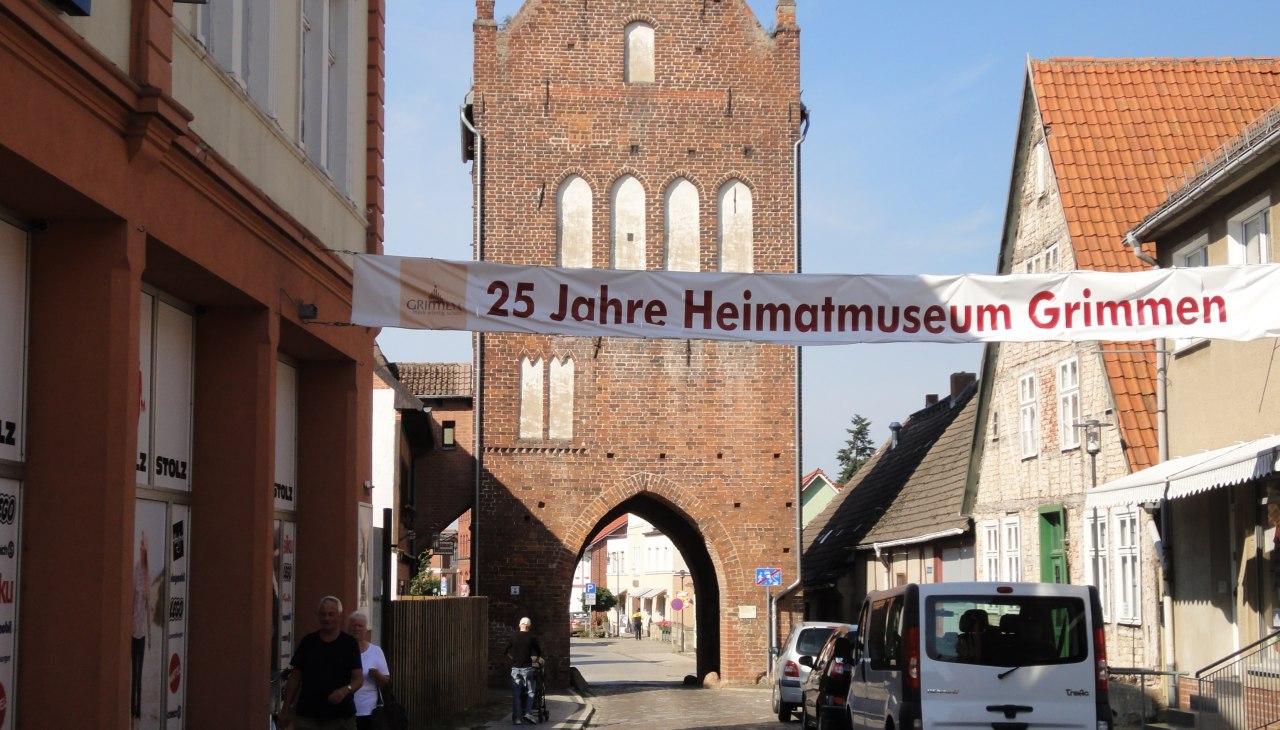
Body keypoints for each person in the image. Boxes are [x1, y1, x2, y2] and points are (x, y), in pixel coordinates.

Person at [280, 596, 364, 730]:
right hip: (308, 716)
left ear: (339, 616)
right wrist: (286, 708)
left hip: (340, 717)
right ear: (318, 616)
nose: (327, 618)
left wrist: (344, 691)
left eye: (331, 614)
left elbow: (358, 678)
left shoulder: (349, 644)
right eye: (323, 614)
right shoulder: (308, 642)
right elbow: (295, 677)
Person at [346, 612, 390, 730]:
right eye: (353, 625)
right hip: (345, 710)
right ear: (348, 628)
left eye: (360, 626)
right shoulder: (341, 651)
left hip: (369, 710)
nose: (356, 629)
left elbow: (386, 681)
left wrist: (377, 675)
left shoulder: (375, 651)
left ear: (366, 629)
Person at [130, 532, 152, 727]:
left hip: (142, 631)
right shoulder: (136, 568)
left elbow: (148, 604)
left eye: (142, 545)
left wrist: (151, 637)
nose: (140, 548)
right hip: (132, 629)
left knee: (139, 671)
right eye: (140, 545)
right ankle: (132, 707)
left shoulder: (147, 573)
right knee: (133, 670)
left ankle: (137, 708)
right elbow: (132, 599)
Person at [503, 617, 542, 725]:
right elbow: (539, 652)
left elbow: (505, 651)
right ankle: (528, 712)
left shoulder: (513, 637)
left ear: (520, 625)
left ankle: (518, 719)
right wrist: (537, 660)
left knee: (516, 695)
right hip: (527, 669)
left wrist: (512, 658)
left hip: (515, 669)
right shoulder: (531, 638)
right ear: (529, 627)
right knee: (530, 692)